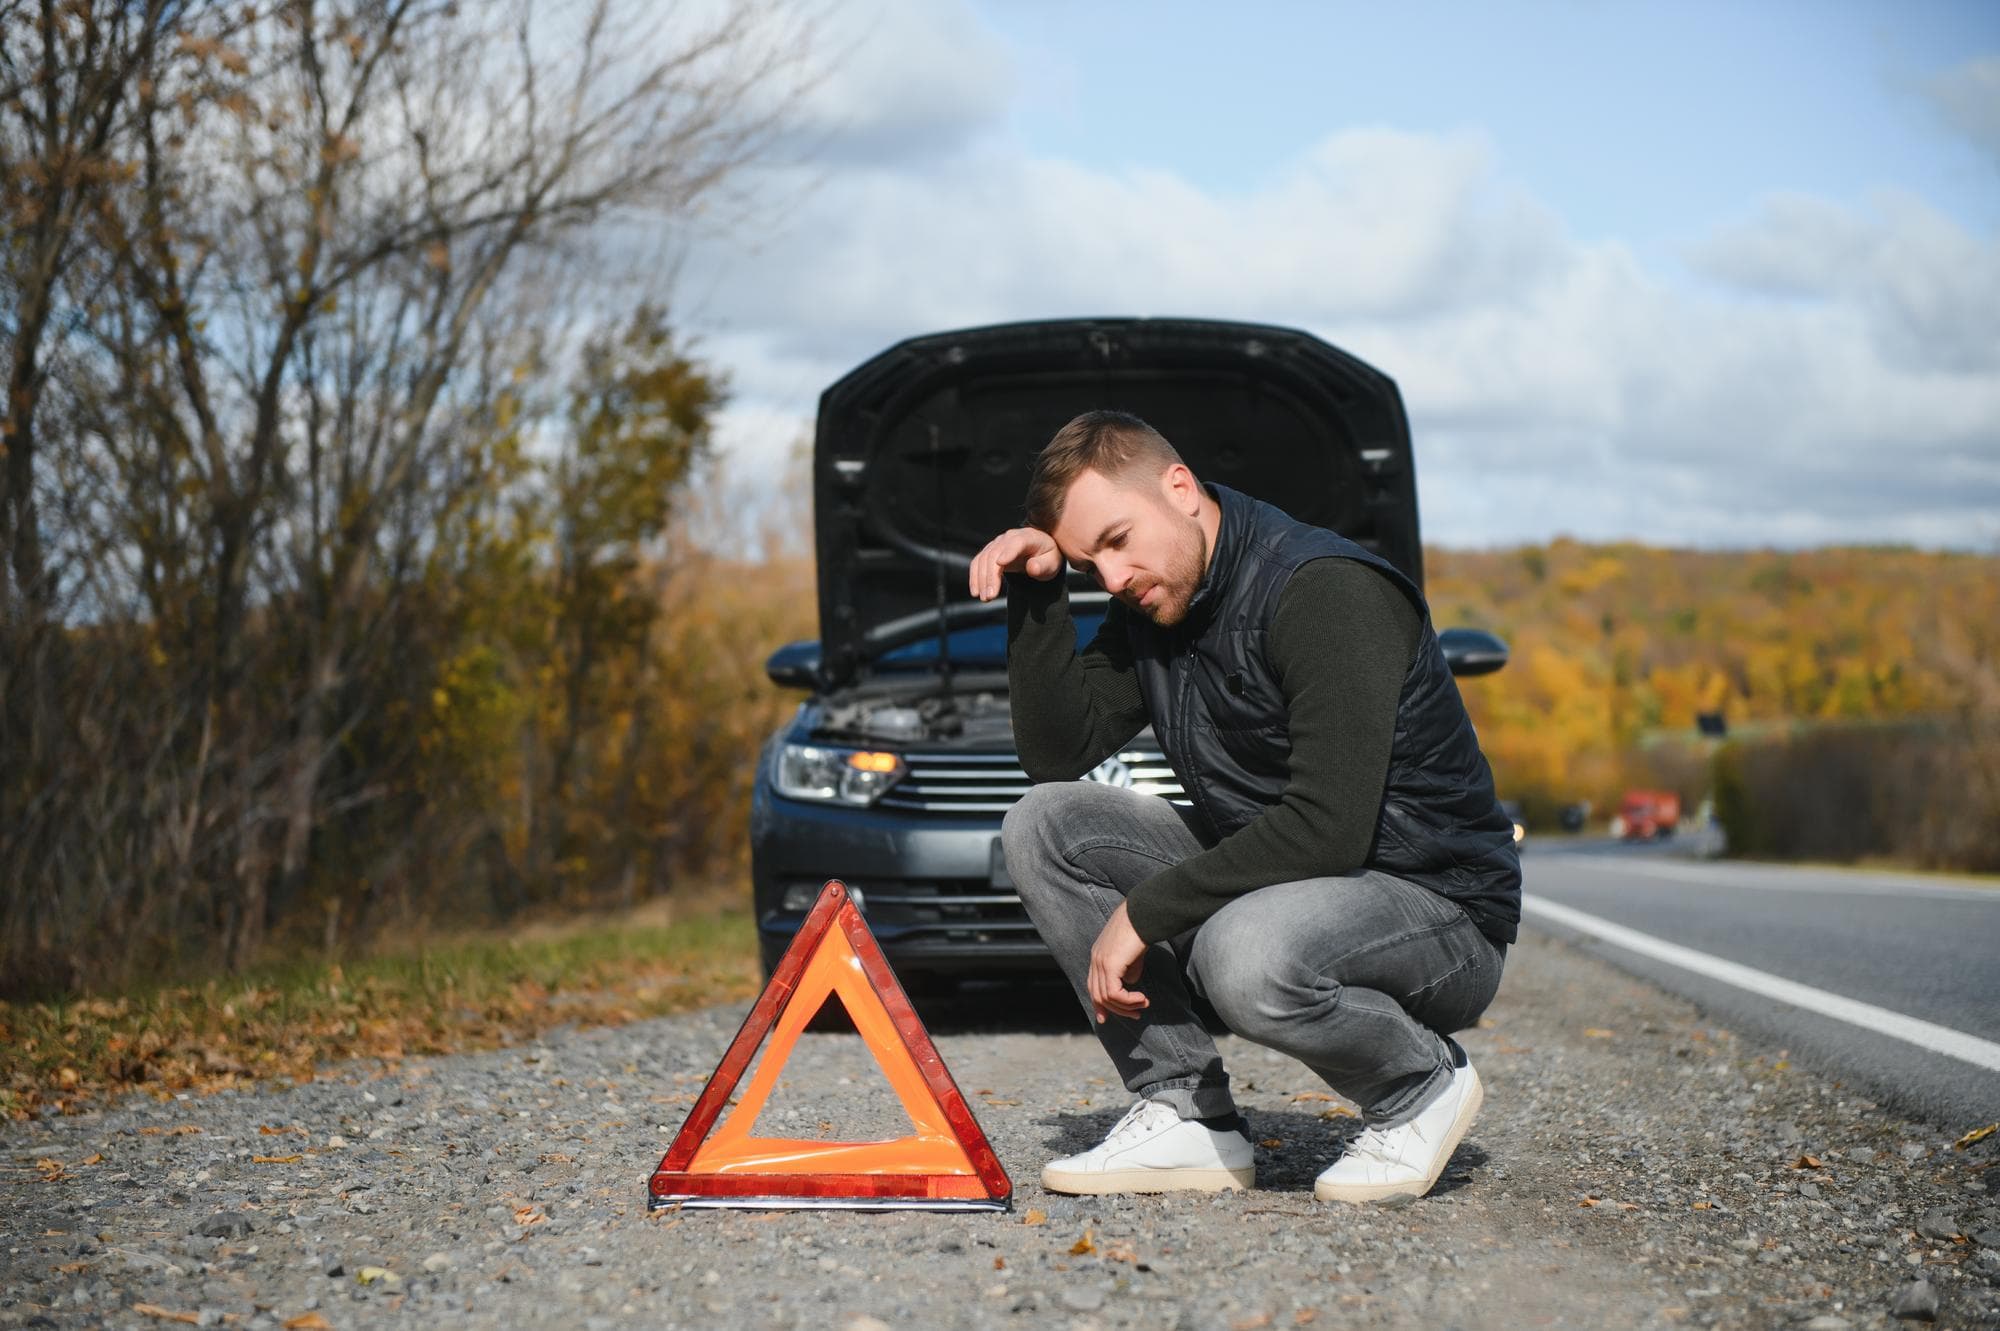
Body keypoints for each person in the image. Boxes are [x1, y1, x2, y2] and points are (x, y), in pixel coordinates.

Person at [968, 410, 1521, 1204]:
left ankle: (1418, 1086)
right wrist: (1039, 594)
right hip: (1293, 885)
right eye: (1093, 563)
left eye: (1119, 539)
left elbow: (1329, 826)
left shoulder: (1324, 590)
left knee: (1243, 952)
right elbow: (1056, 754)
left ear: (1181, 488)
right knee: (1046, 824)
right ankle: (1185, 1107)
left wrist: (1145, 911)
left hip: (1438, 911)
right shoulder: (1157, 606)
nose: (1114, 577)